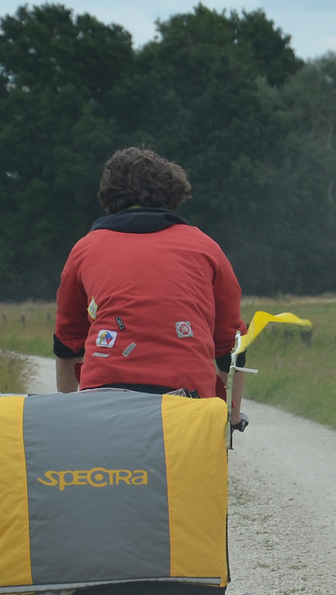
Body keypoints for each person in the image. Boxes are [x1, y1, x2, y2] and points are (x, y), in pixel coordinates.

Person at [53, 147, 246, 424]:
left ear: (109, 196)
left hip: (104, 400)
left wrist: (70, 417)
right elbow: (232, 345)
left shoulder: (85, 249)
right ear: (174, 194)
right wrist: (234, 418)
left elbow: (67, 343)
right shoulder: (205, 247)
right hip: (188, 402)